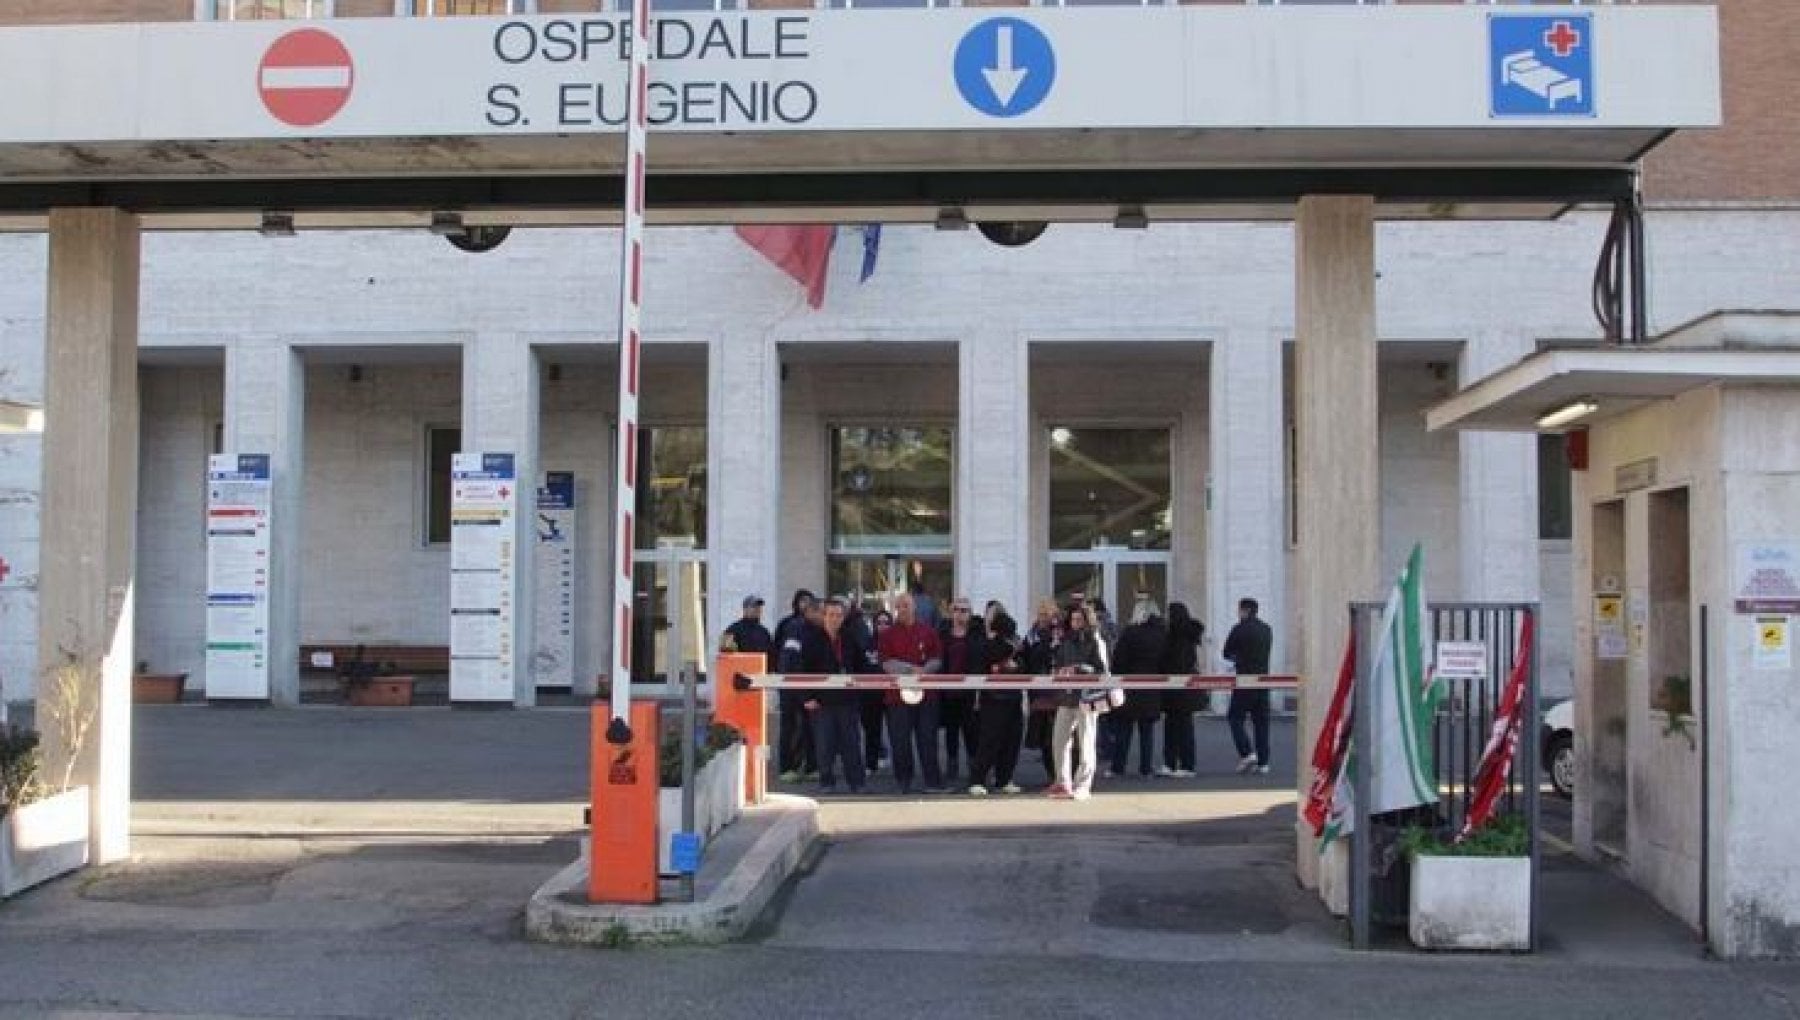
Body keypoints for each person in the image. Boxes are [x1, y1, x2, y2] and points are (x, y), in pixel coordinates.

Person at [877, 592, 945, 794]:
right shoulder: (887, 635)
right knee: (900, 740)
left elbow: (937, 658)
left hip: (926, 696)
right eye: (899, 607)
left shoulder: (928, 631)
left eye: (906, 606)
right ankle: (903, 782)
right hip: (897, 697)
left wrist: (925, 670)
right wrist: (909, 669)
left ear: (914, 607)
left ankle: (933, 782)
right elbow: (886, 662)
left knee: (928, 739)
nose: (902, 610)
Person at [799, 598, 868, 794]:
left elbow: (861, 666)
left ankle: (857, 783)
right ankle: (827, 782)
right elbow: (801, 671)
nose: (835, 619)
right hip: (821, 702)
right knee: (824, 745)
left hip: (847, 701)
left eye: (839, 615)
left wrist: (860, 690)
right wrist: (806, 697)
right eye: (831, 615)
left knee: (852, 743)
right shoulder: (811, 639)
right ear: (824, 616)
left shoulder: (850, 638)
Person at [1049, 604, 1109, 801]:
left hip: (1087, 697)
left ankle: (1083, 785)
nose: (1075, 623)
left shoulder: (1095, 640)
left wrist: (1080, 668)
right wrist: (1058, 670)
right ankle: (1062, 782)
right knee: (1059, 741)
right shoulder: (1065, 640)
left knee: (1086, 742)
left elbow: (1102, 670)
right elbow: (1057, 663)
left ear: (1087, 621)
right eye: (1073, 619)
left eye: (1079, 620)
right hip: (1066, 697)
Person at [967, 611, 1025, 796]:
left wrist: (1017, 667)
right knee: (989, 742)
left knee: (1012, 742)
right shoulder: (987, 646)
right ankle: (977, 780)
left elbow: (1025, 667)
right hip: (993, 700)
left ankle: (1004, 779)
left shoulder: (1017, 646)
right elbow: (981, 670)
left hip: (1013, 699)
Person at [1107, 599, 1166, 779]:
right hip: (1151, 687)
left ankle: (1118, 767)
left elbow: (1118, 661)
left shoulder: (1130, 633)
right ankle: (1146, 768)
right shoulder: (1161, 634)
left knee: (1123, 730)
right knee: (1147, 732)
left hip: (1129, 687)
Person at [1222, 596, 1275, 775]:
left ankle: (1246, 752)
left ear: (1245, 611)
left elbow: (1226, 653)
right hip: (1262, 682)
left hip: (1244, 681)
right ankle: (1264, 762)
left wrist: (1238, 658)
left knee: (1234, 717)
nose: (1238, 614)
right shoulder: (1267, 630)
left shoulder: (1239, 629)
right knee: (1261, 723)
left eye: (1239, 610)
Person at [937, 596, 987, 784]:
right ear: (951, 613)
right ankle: (951, 768)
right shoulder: (942, 633)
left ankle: (974, 770)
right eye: (956, 609)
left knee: (972, 732)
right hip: (947, 692)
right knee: (951, 732)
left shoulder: (977, 633)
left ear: (970, 613)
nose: (960, 613)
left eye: (964, 610)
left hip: (970, 692)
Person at [773, 589, 819, 783]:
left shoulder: (815, 629)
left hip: (807, 686)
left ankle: (810, 767)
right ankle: (787, 768)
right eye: (819, 612)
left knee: (810, 728)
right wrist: (796, 687)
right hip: (791, 687)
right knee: (789, 727)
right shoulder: (793, 626)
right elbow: (788, 658)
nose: (821, 616)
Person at [1159, 602, 1205, 777]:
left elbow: (1176, 663)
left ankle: (1185, 765)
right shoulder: (1184, 636)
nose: (1166, 617)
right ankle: (1171, 763)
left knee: (1181, 727)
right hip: (1180, 690)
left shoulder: (1178, 638)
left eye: (1169, 614)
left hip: (1179, 689)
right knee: (1176, 726)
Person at [1021, 597, 1063, 784]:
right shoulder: (1032, 635)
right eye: (1041, 614)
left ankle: (1059, 775)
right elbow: (1026, 658)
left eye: (1048, 614)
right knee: (1044, 737)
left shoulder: (1061, 635)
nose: (1044, 618)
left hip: (1058, 692)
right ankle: (1052, 774)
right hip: (1038, 692)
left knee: (1058, 734)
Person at [861, 608, 894, 774]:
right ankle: (870, 764)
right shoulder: (867, 643)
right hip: (871, 694)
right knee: (872, 731)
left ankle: (900, 766)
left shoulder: (896, 642)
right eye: (879, 623)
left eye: (886, 623)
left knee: (896, 730)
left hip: (892, 694)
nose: (883, 626)